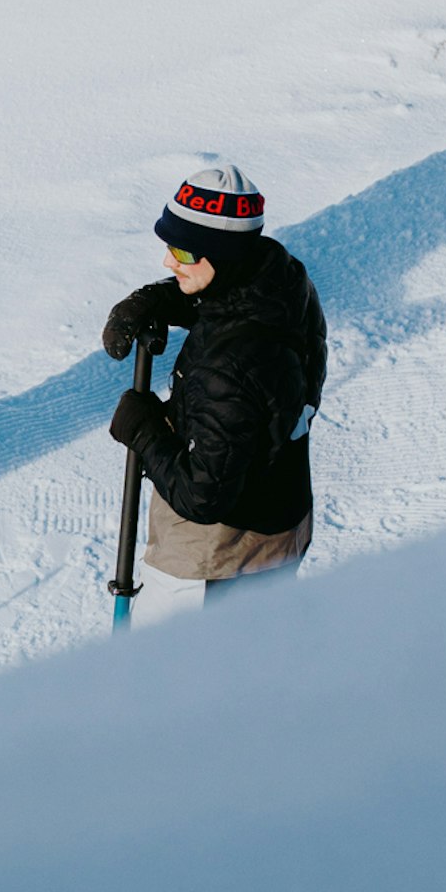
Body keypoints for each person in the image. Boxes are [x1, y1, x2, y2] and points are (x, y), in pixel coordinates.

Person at [102, 165, 326, 600]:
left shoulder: (229, 369)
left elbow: (201, 498)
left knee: (185, 669)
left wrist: (142, 429)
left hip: (220, 560)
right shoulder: (284, 282)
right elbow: (235, 302)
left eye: (184, 254)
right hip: (279, 523)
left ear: (222, 257)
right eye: (170, 246)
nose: (169, 260)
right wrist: (158, 299)